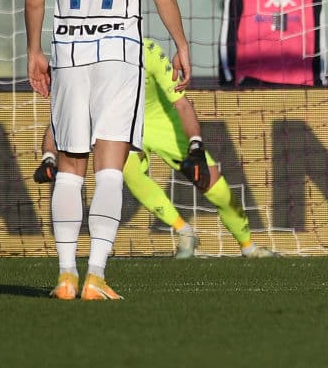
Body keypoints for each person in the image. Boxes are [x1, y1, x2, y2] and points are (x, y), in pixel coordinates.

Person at [26, 0, 191, 301]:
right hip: (119, 50)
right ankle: (96, 275)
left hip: (69, 49)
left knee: (70, 163)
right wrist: (179, 41)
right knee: (112, 166)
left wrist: (35, 50)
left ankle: (64, 275)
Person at [33, 38, 277, 260]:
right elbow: (61, 115)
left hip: (163, 123)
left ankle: (248, 246)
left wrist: (196, 147)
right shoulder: (85, 59)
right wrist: (48, 157)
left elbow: (181, 104)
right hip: (124, 126)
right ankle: (184, 231)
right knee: (127, 171)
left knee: (217, 190)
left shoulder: (147, 52)